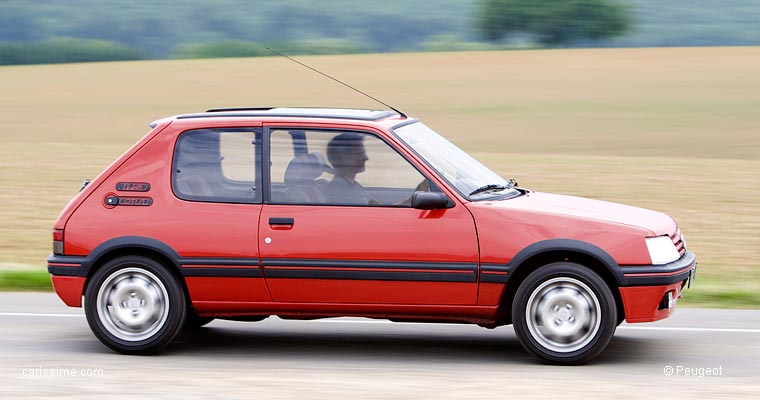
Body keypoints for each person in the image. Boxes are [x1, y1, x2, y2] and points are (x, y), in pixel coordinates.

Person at [325, 133, 375, 204]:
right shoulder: (341, 192)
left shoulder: (352, 184)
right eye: (360, 153)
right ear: (345, 158)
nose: (366, 158)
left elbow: (373, 203)